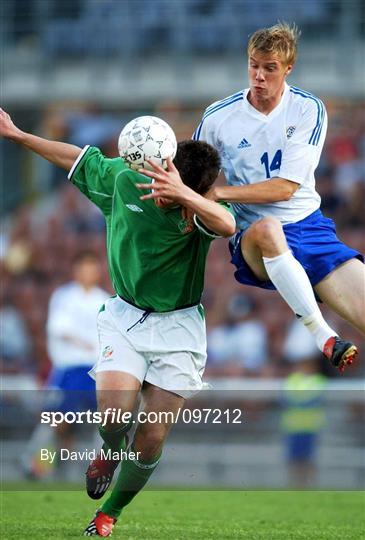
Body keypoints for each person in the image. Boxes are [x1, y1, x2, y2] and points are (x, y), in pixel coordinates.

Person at [0, 107, 235, 537]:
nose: (159, 192)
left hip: (179, 328)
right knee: (112, 417)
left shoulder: (197, 211)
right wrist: (18, 135)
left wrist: (183, 195)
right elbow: (74, 157)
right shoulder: (125, 177)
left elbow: (228, 223)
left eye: (171, 188)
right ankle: (108, 453)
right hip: (125, 316)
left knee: (151, 437)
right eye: (160, 181)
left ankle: (109, 513)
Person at [193, 22, 364, 372]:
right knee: (269, 227)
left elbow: (286, 188)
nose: (259, 75)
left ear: (288, 68)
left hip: (311, 232)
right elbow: (194, 174)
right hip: (254, 236)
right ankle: (324, 336)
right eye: (254, 65)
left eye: (269, 68)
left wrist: (221, 192)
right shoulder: (218, 117)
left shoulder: (307, 109)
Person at [21, 251, 109, 479]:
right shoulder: (65, 296)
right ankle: (35, 463)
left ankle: (99, 469)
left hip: (94, 369)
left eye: (92, 267)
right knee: (55, 419)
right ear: (76, 270)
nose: (89, 272)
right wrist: (84, 341)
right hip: (69, 367)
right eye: (84, 267)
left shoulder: (104, 299)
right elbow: (59, 329)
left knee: (105, 420)